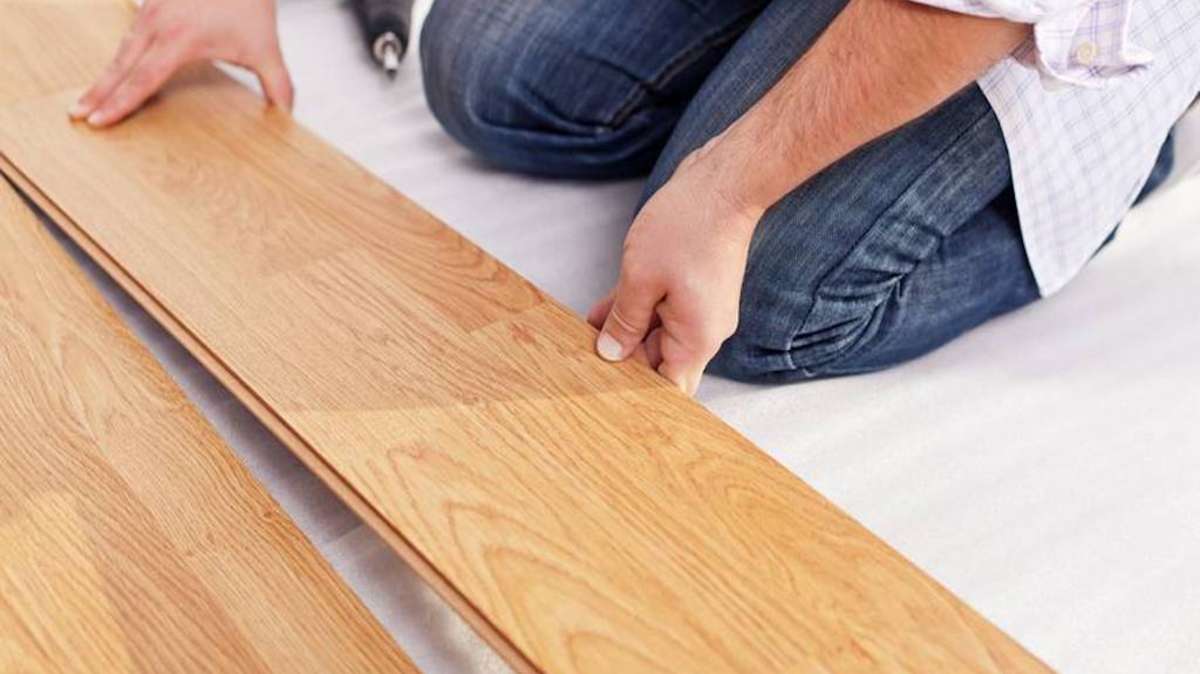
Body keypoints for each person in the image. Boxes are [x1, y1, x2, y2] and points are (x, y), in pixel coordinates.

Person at [72, 0, 1200, 395]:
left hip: (1048, 15)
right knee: (488, 71)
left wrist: (730, 187)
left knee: (772, 298)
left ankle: (1144, 147)